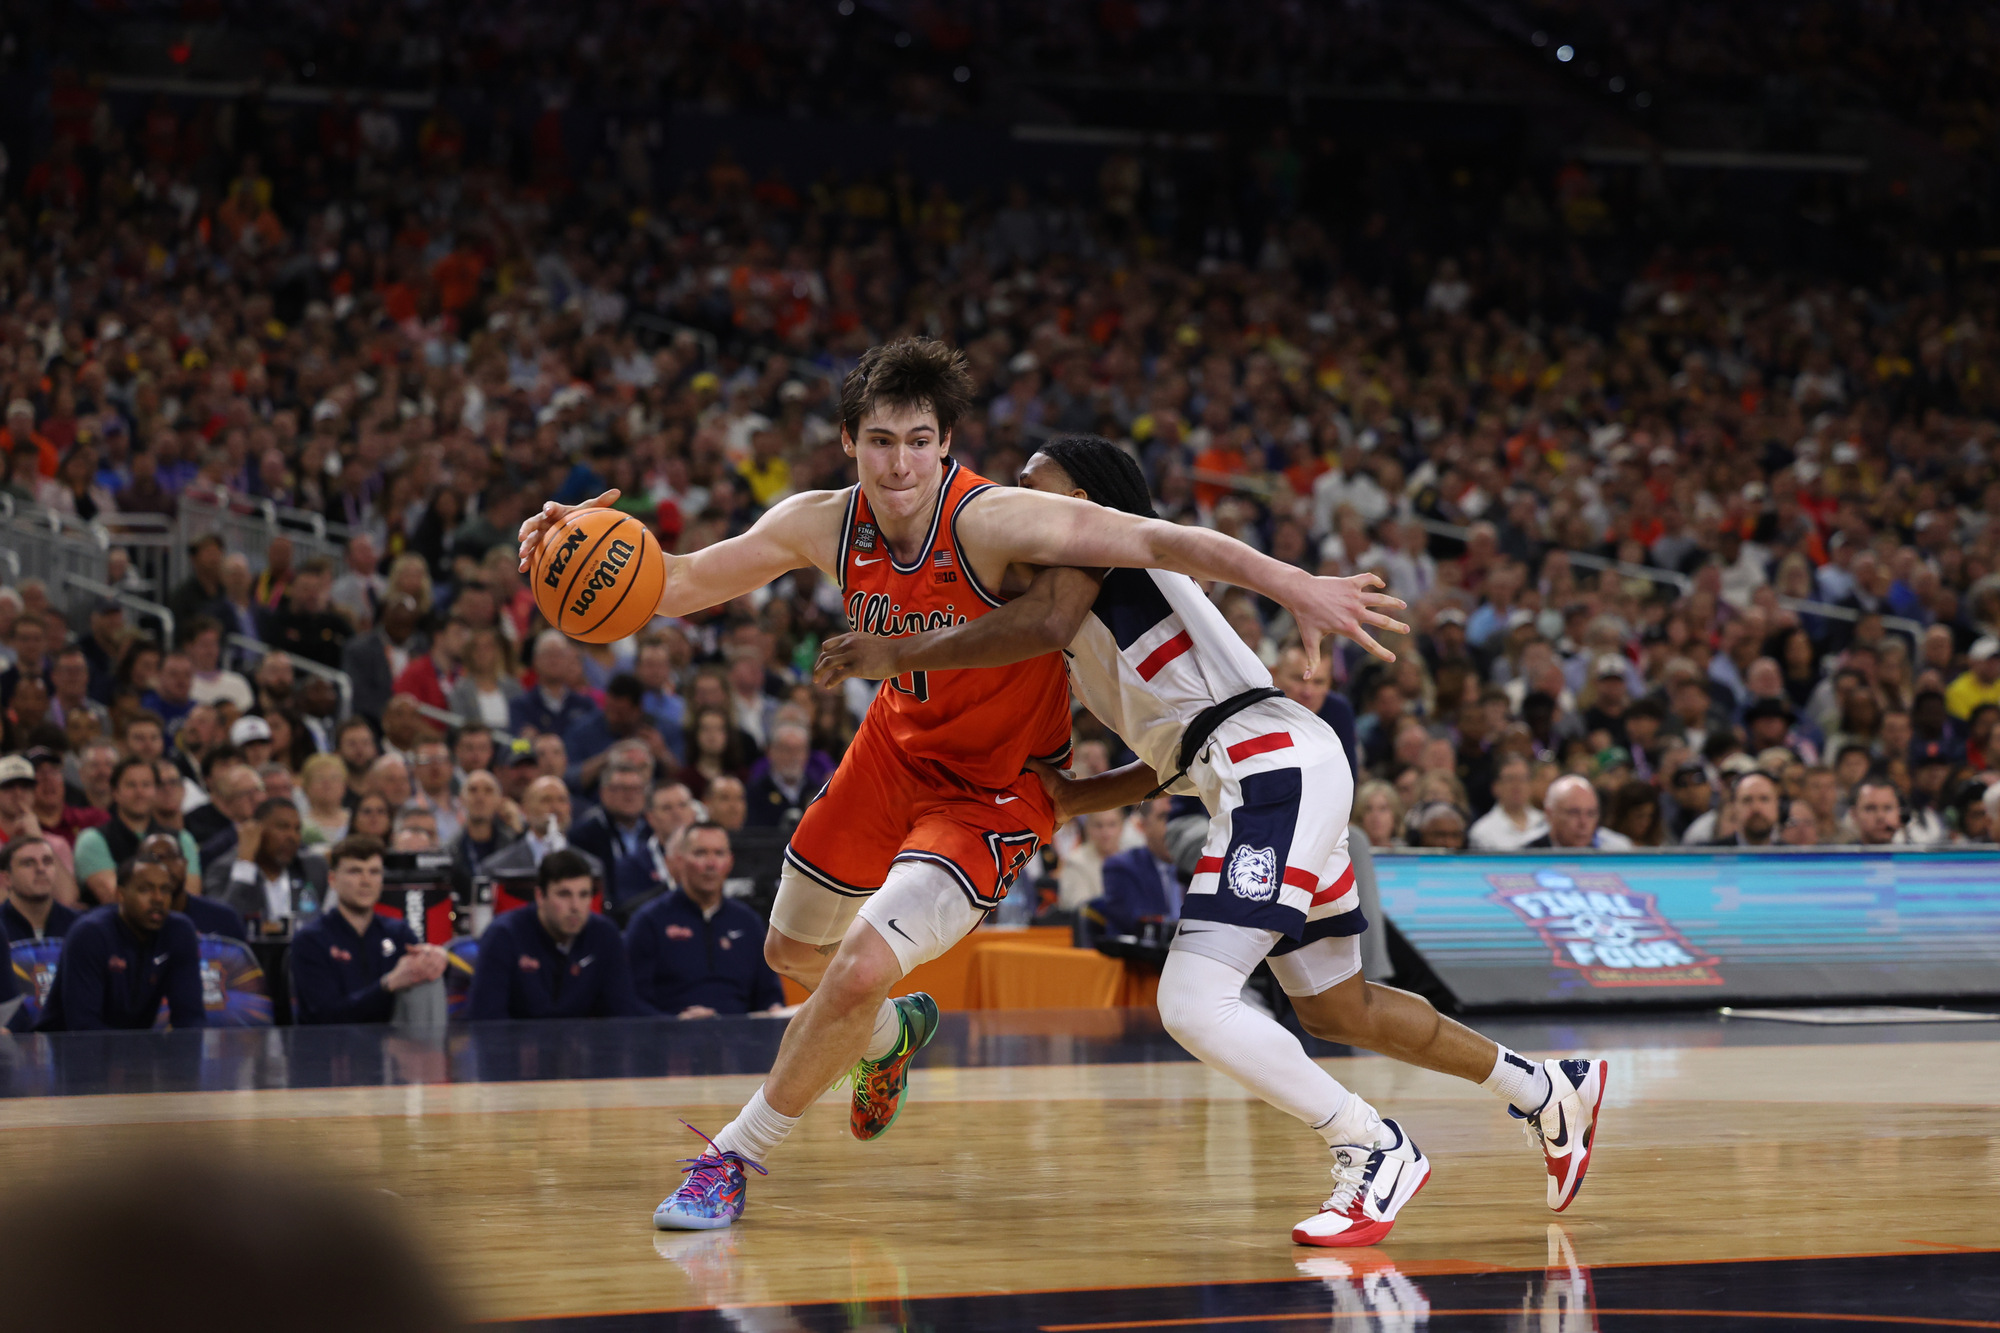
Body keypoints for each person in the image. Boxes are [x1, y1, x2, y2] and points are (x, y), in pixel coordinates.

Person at [525, 344, 1402, 1235]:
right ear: (848, 443)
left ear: (945, 444)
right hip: (889, 753)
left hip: (993, 789)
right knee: (793, 958)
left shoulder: (996, 518)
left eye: (918, 440)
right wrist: (571, 545)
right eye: (879, 441)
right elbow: (673, 582)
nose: (899, 463)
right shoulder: (820, 523)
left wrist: (1295, 581)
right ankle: (890, 1034)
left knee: (859, 964)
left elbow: (1155, 536)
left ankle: (731, 1158)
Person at [808, 433, 1603, 1248]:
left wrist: (897, 649)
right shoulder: (1088, 597)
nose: (1017, 500)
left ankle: (1371, 1143)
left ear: (1082, 503)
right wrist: (1082, 795)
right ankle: (1546, 1085)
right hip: (1264, 766)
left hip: (1270, 770)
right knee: (1338, 1005)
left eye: (1033, 486)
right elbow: (1174, 752)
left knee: (1192, 999)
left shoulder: (1087, 558)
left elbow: (1048, 624)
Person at [627, 823, 786, 1017]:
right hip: (670, 1041)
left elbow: (770, 995)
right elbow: (630, 1002)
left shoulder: (748, 922)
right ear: (679, 861)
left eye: (719, 854)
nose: (711, 864)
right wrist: (675, 1023)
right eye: (700, 853)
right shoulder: (648, 921)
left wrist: (773, 1011)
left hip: (741, 1040)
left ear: (730, 862)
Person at [288, 835, 448, 1025]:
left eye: (374, 872)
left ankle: (430, 1051)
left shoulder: (399, 933)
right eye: (355, 872)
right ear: (332, 879)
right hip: (333, 1049)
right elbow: (324, 1016)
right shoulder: (311, 940)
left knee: (428, 978)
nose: (366, 881)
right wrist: (387, 985)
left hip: (395, 1046)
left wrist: (435, 958)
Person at [466, 848, 642, 1020]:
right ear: (540, 896)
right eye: (564, 895)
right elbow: (485, 1022)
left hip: (585, 1047)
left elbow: (622, 1016)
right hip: (514, 1047)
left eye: (584, 895)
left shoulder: (605, 935)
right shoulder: (504, 936)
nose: (575, 907)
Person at [36, 856, 205, 1031]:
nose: (158, 899)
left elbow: (191, 1018)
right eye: (145, 890)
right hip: (61, 1048)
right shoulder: (90, 934)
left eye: (165, 890)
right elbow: (83, 1026)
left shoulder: (179, 931)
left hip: (134, 1048)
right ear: (120, 895)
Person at [72, 756, 200, 905]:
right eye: (131, 785)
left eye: (146, 785)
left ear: (155, 791)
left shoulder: (182, 839)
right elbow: (116, 898)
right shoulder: (92, 840)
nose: (139, 792)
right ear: (115, 792)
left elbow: (190, 897)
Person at [207, 797, 323, 931]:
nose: (292, 836)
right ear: (257, 830)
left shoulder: (310, 868)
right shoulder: (223, 870)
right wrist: (245, 863)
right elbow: (222, 925)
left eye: (297, 829)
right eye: (282, 827)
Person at [478, 775, 603, 881]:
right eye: (546, 800)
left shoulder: (592, 868)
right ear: (525, 809)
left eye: (562, 800)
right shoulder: (496, 868)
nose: (556, 808)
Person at [1093, 799, 1181, 934]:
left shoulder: (1199, 866)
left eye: (1179, 816)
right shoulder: (1120, 867)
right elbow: (1137, 926)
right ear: (1143, 825)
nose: (1174, 825)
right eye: (1164, 817)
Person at [142, 832, 248, 941]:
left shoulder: (223, 918)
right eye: (154, 858)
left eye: (172, 856)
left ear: (185, 864)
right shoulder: (130, 922)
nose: (164, 866)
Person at [611, 781, 695, 912]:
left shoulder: (715, 855)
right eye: (667, 808)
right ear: (651, 818)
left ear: (693, 812)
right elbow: (628, 911)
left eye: (683, 805)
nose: (677, 813)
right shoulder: (631, 866)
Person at [567, 760, 652, 873]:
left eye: (636, 789)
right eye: (622, 789)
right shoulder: (583, 836)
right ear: (603, 793)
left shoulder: (655, 830)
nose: (630, 795)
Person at [1, 836, 79, 943]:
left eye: (47, 862)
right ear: (7, 878)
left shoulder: (80, 926)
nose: (41, 869)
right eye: (28, 863)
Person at [1523, 775, 1634, 850]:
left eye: (1591, 814)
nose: (1583, 823)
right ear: (1550, 815)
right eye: (1574, 813)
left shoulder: (1618, 851)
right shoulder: (1525, 855)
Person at [1467, 754, 1548, 849]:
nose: (1517, 786)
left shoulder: (1546, 823)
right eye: (1510, 779)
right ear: (1495, 786)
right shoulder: (1482, 832)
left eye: (1522, 779)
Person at [744, 720, 815, 827]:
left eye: (798, 750)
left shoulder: (817, 791)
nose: (793, 756)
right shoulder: (755, 793)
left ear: (807, 754)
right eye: (786, 750)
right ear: (771, 752)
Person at [1709, 771, 1782, 847]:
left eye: (1764, 799)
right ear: (1734, 807)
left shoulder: (1792, 856)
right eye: (1747, 800)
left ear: (1776, 804)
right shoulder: (1707, 855)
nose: (1756, 808)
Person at [1848, 775, 1904, 845]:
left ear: (1899, 813)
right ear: (1854, 814)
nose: (1880, 816)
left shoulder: (1915, 854)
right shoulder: (1840, 855)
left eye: (1888, 808)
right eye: (1870, 808)